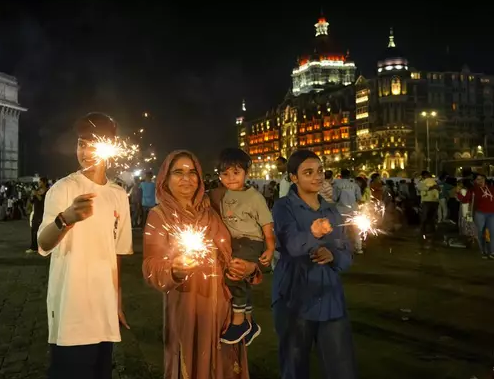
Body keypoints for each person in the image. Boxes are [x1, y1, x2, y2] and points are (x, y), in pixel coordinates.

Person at [142, 149, 260, 379]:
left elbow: (242, 244)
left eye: (192, 172)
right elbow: (150, 265)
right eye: (178, 172)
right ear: (165, 178)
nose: (186, 178)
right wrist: (172, 270)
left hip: (226, 304)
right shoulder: (160, 215)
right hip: (189, 306)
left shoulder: (213, 209)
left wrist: (249, 267)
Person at [37, 112, 132, 379]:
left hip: (103, 310)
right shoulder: (63, 189)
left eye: (94, 143)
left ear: (110, 147)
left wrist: (117, 301)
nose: (86, 150)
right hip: (71, 308)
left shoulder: (118, 195)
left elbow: (117, 253)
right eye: (81, 143)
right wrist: (66, 218)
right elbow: (43, 243)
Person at [272, 150, 356, 379]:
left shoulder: (332, 211)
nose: (317, 177)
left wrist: (334, 256)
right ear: (293, 178)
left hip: (330, 299)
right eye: (308, 172)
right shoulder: (283, 207)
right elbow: (290, 246)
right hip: (294, 298)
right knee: (294, 367)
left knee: (342, 368)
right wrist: (314, 232)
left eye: (319, 171)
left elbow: (347, 252)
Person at [211, 148, 274, 346]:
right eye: (225, 174)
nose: (230, 178)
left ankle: (238, 322)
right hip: (233, 242)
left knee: (234, 275)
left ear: (247, 172)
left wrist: (270, 248)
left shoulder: (255, 197)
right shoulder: (223, 194)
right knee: (243, 280)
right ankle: (249, 322)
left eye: (236, 173)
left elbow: (267, 225)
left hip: (250, 241)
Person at [457, 173, 494, 259]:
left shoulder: (492, 188)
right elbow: (465, 199)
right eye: (478, 179)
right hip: (480, 213)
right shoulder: (473, 190)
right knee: (481, 233)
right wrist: (458, 193)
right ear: (475, 181)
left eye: (482, 179)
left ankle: (492, 252)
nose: (480, 181)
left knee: (492, 233)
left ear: (485, 179)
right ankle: (483, 251)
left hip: (492, 213)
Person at [417, 170, 440, 247]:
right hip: (428, 202)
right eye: (427, 175)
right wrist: (433, 187)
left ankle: (430, 232)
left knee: (430, 218)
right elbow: (421, 188)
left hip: (432, 202)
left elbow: (438, 190)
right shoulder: (423, 182)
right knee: (426, 218)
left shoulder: (432, 181)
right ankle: (424, 232)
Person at [27, 177, 48, 253]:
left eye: (40, 182)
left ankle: (40, 246)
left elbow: (43, 201)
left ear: (44, 182)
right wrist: (32, 196)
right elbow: (32, 201)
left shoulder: (47, 191)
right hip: (36, 213)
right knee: (33, 230)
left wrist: (36, 194)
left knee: (41, 230)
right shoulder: (38, 190)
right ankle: (34, 247)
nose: (39, 183)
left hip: (42, 213)